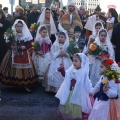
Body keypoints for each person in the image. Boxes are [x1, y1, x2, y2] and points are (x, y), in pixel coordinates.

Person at [0, 19, 38, 92]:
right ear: (15, 26)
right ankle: (14, 83)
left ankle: (26, 85)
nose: (19, 28)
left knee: (26, 68)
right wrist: (11, 46)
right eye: (18, 26)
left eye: (21, 26)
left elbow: (29, 43)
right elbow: (7, 43)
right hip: (13, 53)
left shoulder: (26, 34)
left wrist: (25, 47)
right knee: (11, 67)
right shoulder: (11, 33)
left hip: (24, 54)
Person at [55, 53, 93, 120]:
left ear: (82, 62)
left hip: (79, 92)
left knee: (76, 103)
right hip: (71, 90)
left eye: (76, 61)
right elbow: (66, 75)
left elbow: (88, 83)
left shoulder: (84, 72)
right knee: (68, 102)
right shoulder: (71, 69)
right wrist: (62, 69)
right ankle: (69, 115)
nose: (74, 63)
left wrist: (91, 91)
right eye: (73, 61)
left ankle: (75, 115)